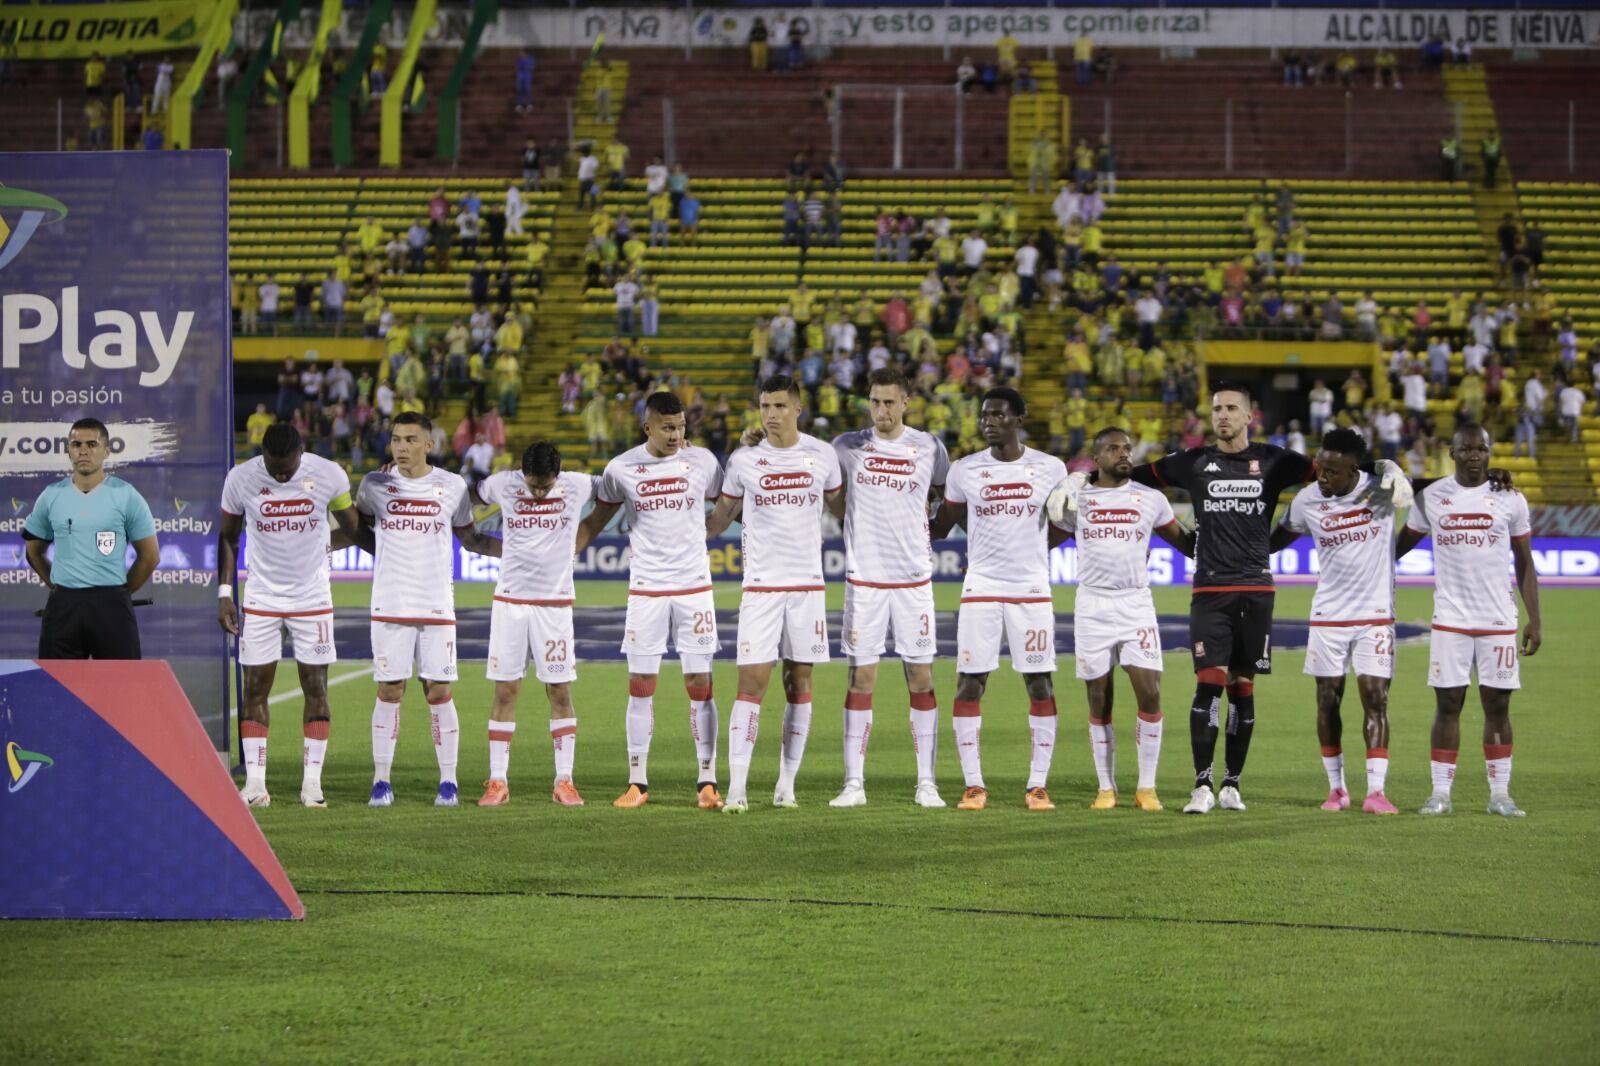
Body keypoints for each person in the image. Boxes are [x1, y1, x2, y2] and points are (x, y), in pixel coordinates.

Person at [1061, 382, 1329, 813]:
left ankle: (1232, 785)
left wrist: (1384, 470)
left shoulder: (1276, 459)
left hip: (1257, 587)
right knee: (1209, 683)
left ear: (1248, 416)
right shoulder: (1193, 462)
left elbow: (1332, 471)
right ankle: (1201, 785)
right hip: (1208, 589)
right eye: (1216, 408)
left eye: (1230, 408)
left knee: (1243, 687)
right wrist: (1083, 475)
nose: (1222, 415)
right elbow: (1128, 474)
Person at [576, 392, 727, 809]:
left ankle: (708, 781)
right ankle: (638, 783)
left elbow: (727, 503)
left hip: (694, 588)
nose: (676, 434)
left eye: (680, 426)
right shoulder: (621, 468)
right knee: (641, 686)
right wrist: (565, 551)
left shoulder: (704, 462)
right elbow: (597, 519)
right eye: (667, 427)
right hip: (646, 589)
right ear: (648, 427)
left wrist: (708, 532)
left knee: (700, 683)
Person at [347, 412, 502, 808]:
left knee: (438, 690)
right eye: (396, 439)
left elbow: (470, 538)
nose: (401, 447)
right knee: (390, 688)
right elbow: (359, 527)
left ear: (429, 445)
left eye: (411, 440)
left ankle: (448, 782)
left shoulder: (451, 486)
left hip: (435, 604)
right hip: (390, 602)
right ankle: (381, 780)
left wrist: (517, 549)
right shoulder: (375, 484)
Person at [706, 376, 845, 812]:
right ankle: (737, 790)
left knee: (799, 683)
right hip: (761, 588)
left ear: (798, 408)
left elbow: (845, 511)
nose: (771, 413)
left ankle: (786, 785)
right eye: (765, 405)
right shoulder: (745, 460)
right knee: (751, 684)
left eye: (780, 406)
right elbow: (722, 516)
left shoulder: (823, 455)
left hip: (807, 587)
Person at [928, 387, 1069, 811]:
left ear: (1019, 420)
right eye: (985, 415)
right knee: (971, 682)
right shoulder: (965, 470)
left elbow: (1067, 523)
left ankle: (1037, 785)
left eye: (998, 415)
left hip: (1031, 590)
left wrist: (1034, 544)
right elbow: (943, 524)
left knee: (1039, 682)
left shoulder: (1050, 467)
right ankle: (974, 785)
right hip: (981, 588)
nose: (988, 421)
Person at [1397, 423, 1539, 818]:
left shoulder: (1510, 498)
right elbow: (1397, 547)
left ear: (1489, 453)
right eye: (1467, 448)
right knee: (1448, 704)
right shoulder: (1431, 498)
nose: (1475, 455)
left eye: (1482, 448)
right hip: (1450, 620)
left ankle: (1500, 795)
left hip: (1498, 620)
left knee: (1498, 707)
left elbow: (1526, 562)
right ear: (1453, 452)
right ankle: (1440, 794)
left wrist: (1535, 620)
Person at [825, 368, 951, 809]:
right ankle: (854, 783)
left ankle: (927, 782)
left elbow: (941, 495)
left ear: (906, 403)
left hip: (914, 580)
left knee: (921, 677)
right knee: (862, 678)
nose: (881, 410)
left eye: (889, 402)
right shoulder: (846, 447)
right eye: (875, 402)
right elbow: (828, 491)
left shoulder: (930, 447)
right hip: (865, 581)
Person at [218, 424, 362, 809]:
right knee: (254, 689)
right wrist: (225, 594)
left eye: (287, 468)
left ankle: (311, 785)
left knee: (316, 686)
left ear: (302, 452)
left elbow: (353, 527)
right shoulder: (241, 478)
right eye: (274, 467)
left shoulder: (328, 473)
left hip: (312, 598)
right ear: (262, 454)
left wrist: (322, 545)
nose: (281, 475)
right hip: (262, 598)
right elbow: (228, 538)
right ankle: (255, 785)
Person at [1059, 427, 1195, 811]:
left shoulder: (1150, 499)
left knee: (1149, 692)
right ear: (1096, 457)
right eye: (1114, 449)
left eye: (1127, 449)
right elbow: (1045, 537)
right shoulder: (1078, 499)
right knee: (1099, 699)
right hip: (1092, 606)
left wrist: (1221, 541)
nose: (1124, 454)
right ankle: (1106, 788)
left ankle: (1146, 788)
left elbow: (1184, 542)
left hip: (1135, 604)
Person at [1268, 428, 1400, 816]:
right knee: (1327, 701)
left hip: (1375, 616)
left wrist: (1492, 477)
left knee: (1375, 698)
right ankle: (1336, 789)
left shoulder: (1383, 490)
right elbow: (1276, 539)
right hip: (1327, 617)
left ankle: (1376, 792)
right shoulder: (1307, 500)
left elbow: (1446, 485)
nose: (1321, 477)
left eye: (1331, 472)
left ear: (1353, 469)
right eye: (1319, 468)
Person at [471, 442, 596, 807]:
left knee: (559, 692)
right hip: (510, 602)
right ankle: (497, 781)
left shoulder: (578, 484)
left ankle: (564, 780)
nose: (539, 492)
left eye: (545, 486)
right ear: (520, 473)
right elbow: (466, 494)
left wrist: (587, 533)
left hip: (554, 605)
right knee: (506, 691)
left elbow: (618, 487)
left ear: (558, 474)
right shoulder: (502, 483)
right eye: (532, 485)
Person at [22, 418, 159, 660]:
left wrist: (120, 592)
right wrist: (58, 587)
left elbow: (150, 556)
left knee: (120, 688)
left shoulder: (126, 495)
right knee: (59, 689)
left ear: (107, 450)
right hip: (63, 606)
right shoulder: (51, 495)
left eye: (91, 444)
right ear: (68, 450)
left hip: (112, 606)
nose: (83, 450)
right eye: (76, 444)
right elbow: (34, 551)